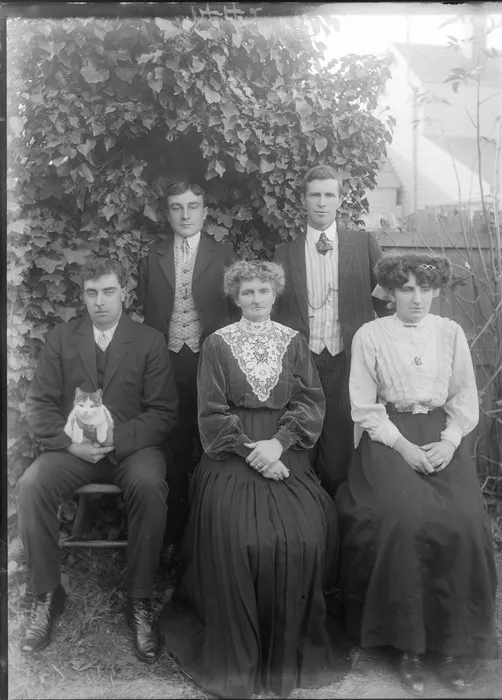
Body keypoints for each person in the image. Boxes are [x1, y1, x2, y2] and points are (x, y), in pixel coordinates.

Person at [159, 260, 350, 698]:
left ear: (275, 293)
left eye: (263, 291)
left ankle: (287, 650)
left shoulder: (294, 342)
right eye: (247, 293)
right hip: (231, 451)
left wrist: (279, 445)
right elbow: (211, 413)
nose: (256, 300)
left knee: (302, 534)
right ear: (235, 297)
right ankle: (239, 652)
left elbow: (309, 403)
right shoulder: (217, 344)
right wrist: (252, 452)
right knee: (238, 533)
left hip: (286, 450)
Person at [336, 252, 498, 695]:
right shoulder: (370, 335)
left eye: (425, 289)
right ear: (390, 293)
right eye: (406, 288)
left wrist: (449, 440)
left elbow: (464, 394)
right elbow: (364, 405)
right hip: (388, 436)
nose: (417, 298)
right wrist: (403, 447)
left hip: (441, 434)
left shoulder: (450, 333)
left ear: (436, 291)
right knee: (403, 518)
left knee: (463, 520)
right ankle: (407, 646)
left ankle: (450, 646)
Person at [17, 257, 178, 663]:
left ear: (123, 293)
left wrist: (115, 438)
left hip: (131, 448)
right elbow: (38, 405)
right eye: (91, 293)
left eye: (108, 291)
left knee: (149, 485)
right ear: (82, 297)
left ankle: (139, 599)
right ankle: (47, 595)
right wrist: (71, 444)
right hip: (75, 450)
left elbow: (163, 413)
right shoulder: (61, 338)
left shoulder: (149, 340)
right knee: (32, 485)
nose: (100, 301)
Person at [274, 164, 388, 497]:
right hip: (302, 366)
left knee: (338, 462)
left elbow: (384, 301)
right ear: (304, 200)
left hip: (346, 362)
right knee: (300, 455)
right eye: (315, 195)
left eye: (329, 195)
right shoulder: (285, 253)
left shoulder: (363, 244)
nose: (322, 203)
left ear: (340, 200)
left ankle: (338, 537)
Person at [137, 179, 237, 555]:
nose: (185, 214)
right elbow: (148, 314)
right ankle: (173, 538)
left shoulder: (224, 254)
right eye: (177, 207)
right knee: (173, 448)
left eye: (192, 206)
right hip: (167, 362)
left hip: (209, 361)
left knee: (212, 445)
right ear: (167, 213)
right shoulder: (153, 255)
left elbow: (232, 314)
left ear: (205, 211)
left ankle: (212, 536)